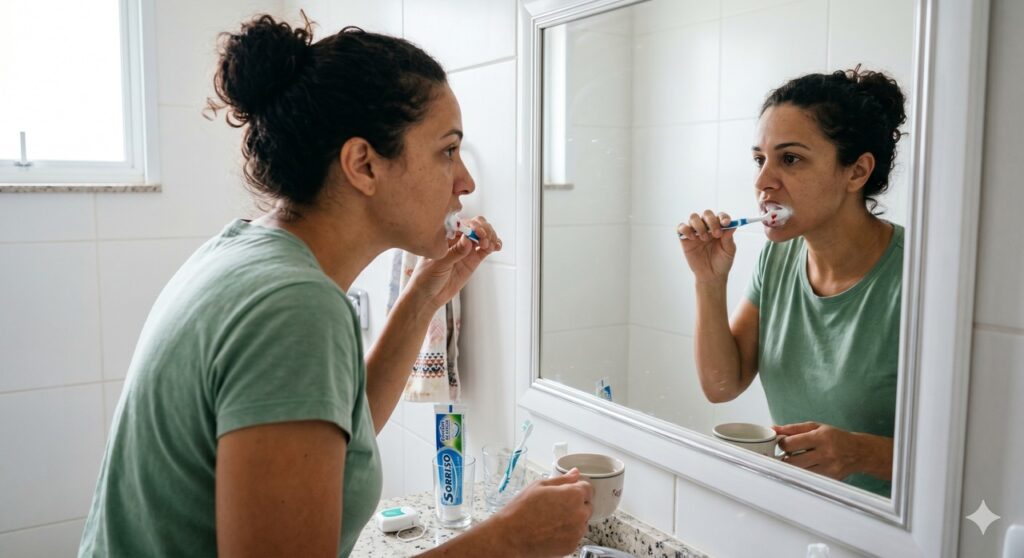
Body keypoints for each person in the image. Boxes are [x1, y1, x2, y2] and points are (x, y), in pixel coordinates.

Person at [79, 15, 592, 557]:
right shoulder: (293, 308)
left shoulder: (244, 256)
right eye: (447, 150)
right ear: (363, 164)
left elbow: (330, 434)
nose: (465, 181)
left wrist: (423, 298)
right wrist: (507, 541)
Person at [677, 67, 907, 497]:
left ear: (856, 172)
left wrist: (863, 454)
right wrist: (708, 282)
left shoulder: (917, 278)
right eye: (759, 160)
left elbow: (972, 454)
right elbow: (722, 386)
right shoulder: (778, 256)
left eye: (790, 159)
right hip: (803, 513)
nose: (763, 181)